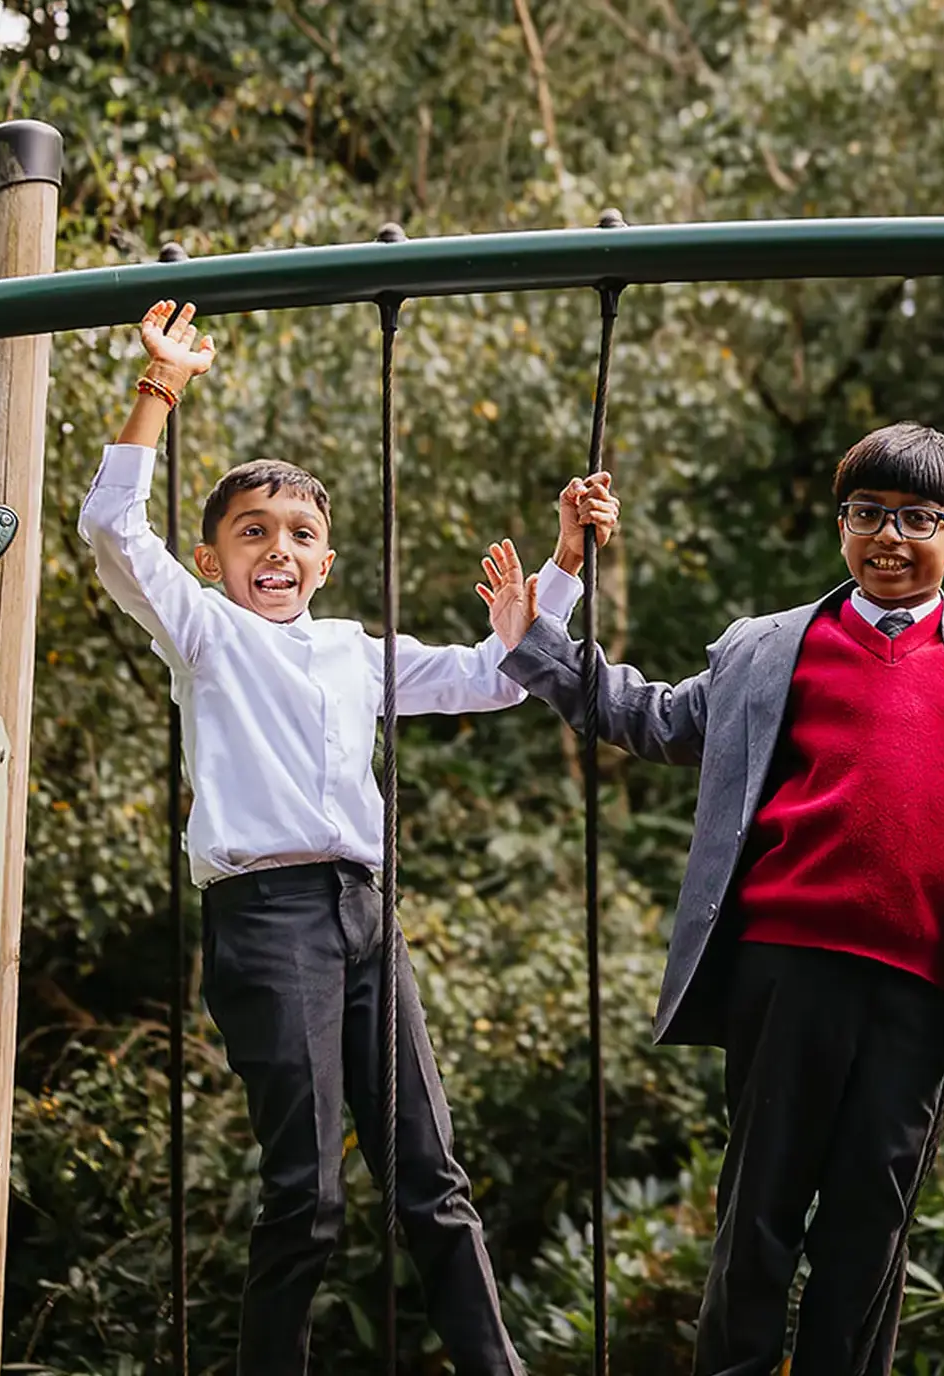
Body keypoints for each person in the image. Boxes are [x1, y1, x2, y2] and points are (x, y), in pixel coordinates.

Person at [485, 421, 944, 1375]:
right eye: (867, 513)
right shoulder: (768, 649)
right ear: (841, 528)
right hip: (786, 968)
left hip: (922, 986)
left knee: (869, 1236)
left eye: (920, 518)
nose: (890, 536)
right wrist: (537, 641)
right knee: (758, 1218)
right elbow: (651, 717)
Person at [79, 299, 615, 1375]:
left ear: (325, 562)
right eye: (253, 533)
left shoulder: (348, 649)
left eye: (300, 536)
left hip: (368, 916)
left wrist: (563, 560)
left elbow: (492, 672)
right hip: (269, 920)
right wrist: (160, 389)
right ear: (214, 558)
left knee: (431, 1177)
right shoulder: (204, 632)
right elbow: (111, 532)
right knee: (308, 1194)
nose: (278, 551)